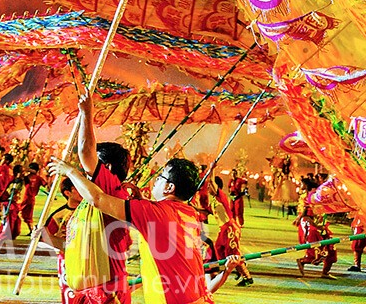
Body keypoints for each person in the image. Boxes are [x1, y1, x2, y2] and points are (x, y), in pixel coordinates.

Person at [51, 156, 232, 304]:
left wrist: (71, 172)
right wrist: (143, 201)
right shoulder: (189, 212)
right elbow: (163, 219)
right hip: (198, 296)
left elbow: (97, 199)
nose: (155, 181)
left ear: (170, 187)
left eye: (160, 177)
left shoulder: (153, 213)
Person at [60, 90, 133, 304]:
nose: (84, 171)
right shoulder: (98, 195)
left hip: (106, 293)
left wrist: (87, 113)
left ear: (107, 168)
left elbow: (85, 151)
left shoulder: (110, 188)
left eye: (94, 165)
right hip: (91, 289)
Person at [295, 206, 337, 279]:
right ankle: (302, 261)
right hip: (314, 240)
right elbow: (310, 231)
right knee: (318, 256)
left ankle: (325, 272)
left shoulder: (310, 218)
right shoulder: (306, 219)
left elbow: (316, 227)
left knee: (331, 253)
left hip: (321, 238)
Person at [20, 161, 46, 236]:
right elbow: (46, 185)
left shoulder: (27, 177)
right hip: (30, 199)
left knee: (24, 215)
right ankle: (31, 229)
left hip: (26, 198)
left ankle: (32, 229)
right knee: (26, 215)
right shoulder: (37, 178)